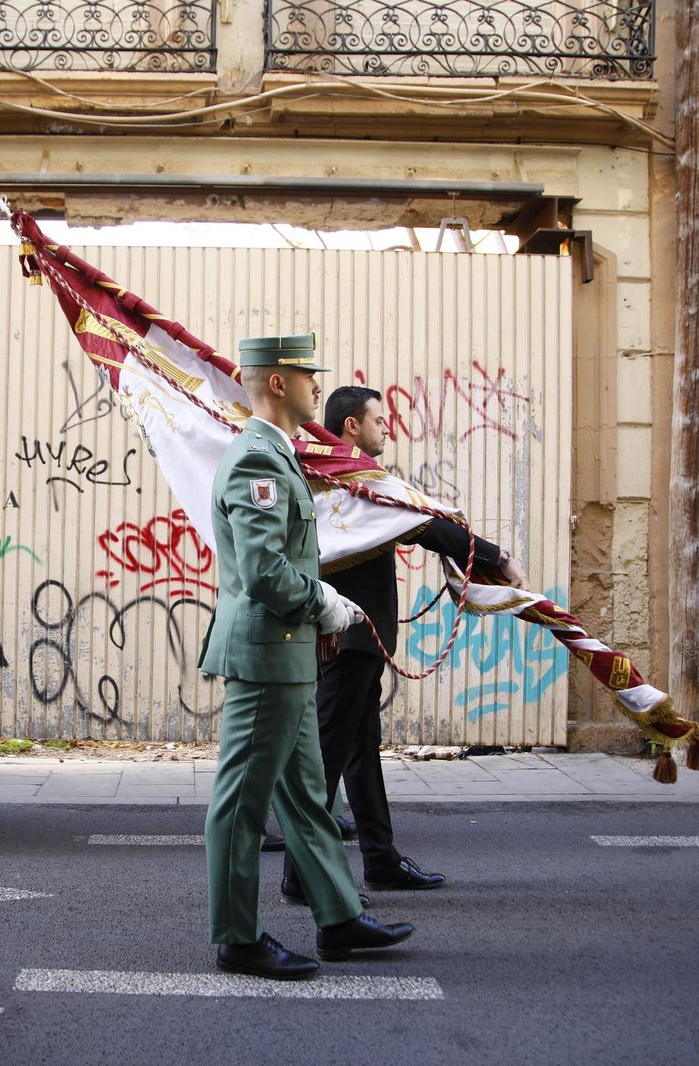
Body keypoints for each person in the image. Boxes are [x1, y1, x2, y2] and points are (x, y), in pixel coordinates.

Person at [201, 333, 414, 981]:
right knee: (241, 802)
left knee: (305, 798)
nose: (317, 385)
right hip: (266, 655)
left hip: (287, 654)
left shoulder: (280, 454)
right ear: (275, 383)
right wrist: (322, 604)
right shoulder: (256, 460)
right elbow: (266, 572)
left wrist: (317, 607)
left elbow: (286, 558)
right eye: (305, 375)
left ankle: (338, 917)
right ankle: (238, 938)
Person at [279, 385, 528, 903]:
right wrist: (496, 557)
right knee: (328, 756)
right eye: (378, 419)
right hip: (347, 640)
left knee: (359, 752)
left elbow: (416, 520)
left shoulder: (348, 478)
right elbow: (420, 524)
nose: (387, 427)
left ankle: (380, 858)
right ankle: (302, 873)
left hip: (360, 641)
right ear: (352, 426)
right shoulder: (349, 480)